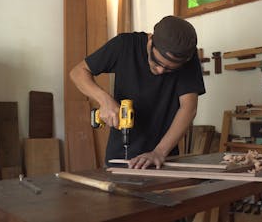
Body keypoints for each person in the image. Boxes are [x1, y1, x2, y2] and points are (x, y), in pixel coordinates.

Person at [70, 15, 206, 169]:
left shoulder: (188, 57)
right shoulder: (125, 45)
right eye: (157, 62)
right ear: (150, 42)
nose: (161, 70)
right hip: (121, 156)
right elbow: (78, 72)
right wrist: (104, 100)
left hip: (163, 158)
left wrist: (159, 152)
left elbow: (188, 107)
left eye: (169, 69)